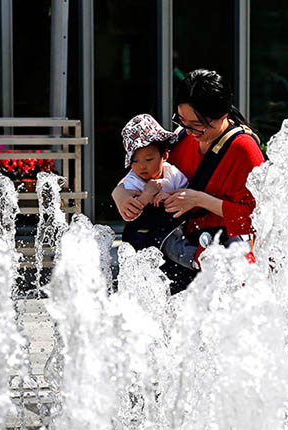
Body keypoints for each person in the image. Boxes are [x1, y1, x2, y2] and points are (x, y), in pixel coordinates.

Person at [112, 69, 264, 292]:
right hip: (176, 243)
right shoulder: (183, 137)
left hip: (220, 250)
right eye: (182, 120)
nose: (190, 130)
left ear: (222, 115)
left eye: (198, 124)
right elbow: (152, 173)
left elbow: (257, 216)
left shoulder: (244, 148)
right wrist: (119, 192)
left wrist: (200, 200)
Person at [118, 114, 188, 250]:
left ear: (165, 156)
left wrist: (168, 197)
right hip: (140, 235)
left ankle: (197, 261)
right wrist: (146, 195)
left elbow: (186, 194)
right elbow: (129, 215)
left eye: (149, 159)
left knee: (177, 246)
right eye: (135, 161)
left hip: (170, 230)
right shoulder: (132, 180)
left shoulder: (172, 173)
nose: (142, 166)